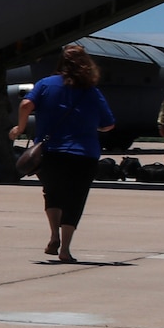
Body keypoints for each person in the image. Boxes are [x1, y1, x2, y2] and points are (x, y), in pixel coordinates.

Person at [12, 44, 116, 263]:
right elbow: (108, 125)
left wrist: (20, 128)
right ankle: (65, 249)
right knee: (75, 199)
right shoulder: (92, 91)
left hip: (50, 152)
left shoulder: (45, 84)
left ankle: (53, 235)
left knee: (52, 193)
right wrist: (89, 125)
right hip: (83, 153)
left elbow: (25, 105)